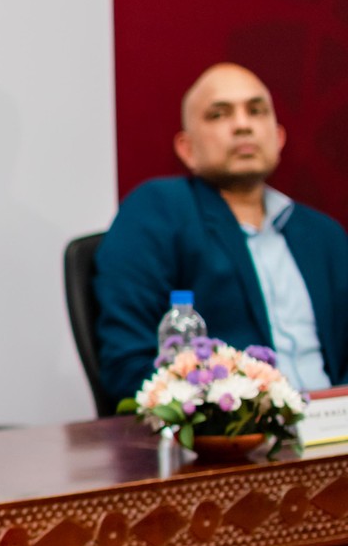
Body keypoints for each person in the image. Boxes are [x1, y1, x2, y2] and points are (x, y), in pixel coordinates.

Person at [94, 62, 348, 403]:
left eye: (256, 111)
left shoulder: (323, 235)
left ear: (278, 137)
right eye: (218, 114)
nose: (243, 125)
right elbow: (128, 366)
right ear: (186, 148)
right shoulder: (159, 212)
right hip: (233, 427)